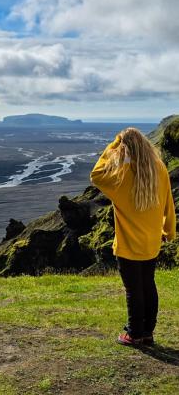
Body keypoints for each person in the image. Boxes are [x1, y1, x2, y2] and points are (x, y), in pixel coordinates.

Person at [90, 127, 176, 346]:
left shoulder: (122, 174)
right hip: (152, 241)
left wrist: (113, 146)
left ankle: (134, 333)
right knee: (148, 285)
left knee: (133, 290)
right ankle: (147, 332)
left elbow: (96, 175)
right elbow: (169, 204)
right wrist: (169, 231)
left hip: (128, 244)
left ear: (124, 147)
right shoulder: (159, 168)